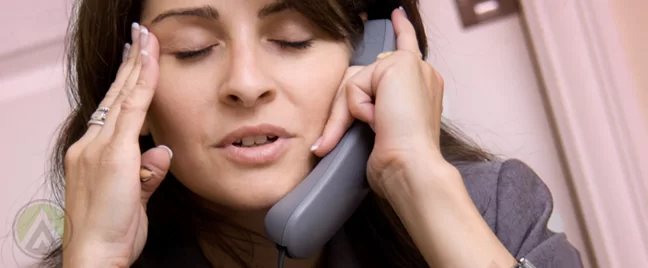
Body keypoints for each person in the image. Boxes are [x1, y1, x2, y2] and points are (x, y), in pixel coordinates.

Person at [42, 0, 583, 267]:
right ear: (128, 87)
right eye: (192, 48)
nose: (246, 84)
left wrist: (418, 182)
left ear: (373, 54)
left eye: (294, 38)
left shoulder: (490, 209)